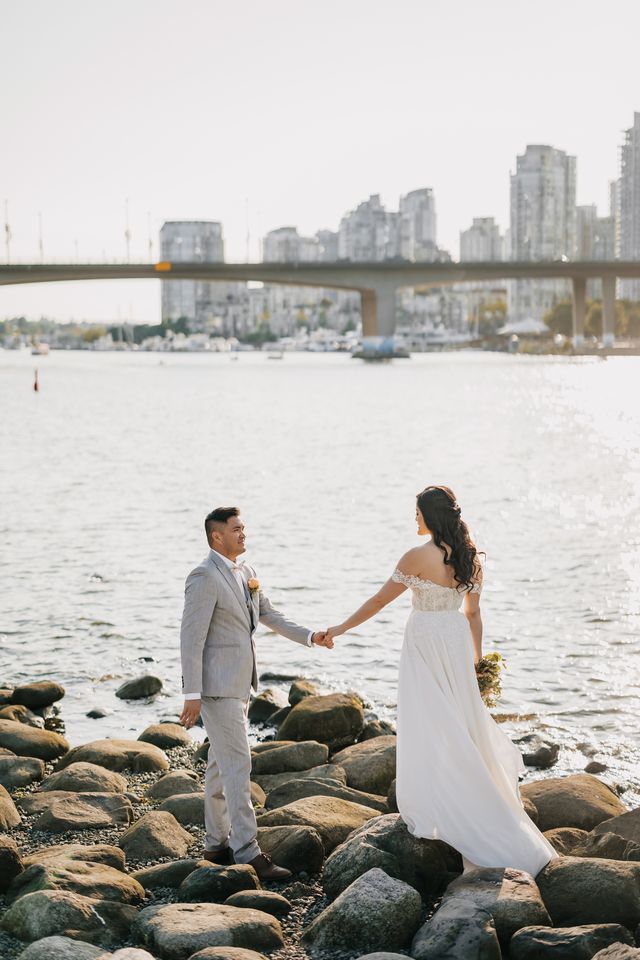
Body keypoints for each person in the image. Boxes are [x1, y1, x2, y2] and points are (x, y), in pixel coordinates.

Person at [324, 485, 558, 876]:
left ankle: (446, 810)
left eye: (417, 513)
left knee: (428, 723)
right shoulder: (470, 558)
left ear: (430, 517)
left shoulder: (416, 556)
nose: (414, 519)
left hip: (425, 644)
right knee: (461, 726)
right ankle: (472, 805)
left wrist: (340, 628)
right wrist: (477, 661)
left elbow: (380, 602)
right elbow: (473, 615)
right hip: (454, 643)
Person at [179, 506, 332, 879]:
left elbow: (268, 614)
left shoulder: (246, 571)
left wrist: (310, 636)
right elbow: (191, 637)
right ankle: (248, 851)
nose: (243, 533)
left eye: (243, 527)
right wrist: (192, 693)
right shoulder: (203, 576)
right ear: (217, 536)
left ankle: (216, 844)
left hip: (241, 683)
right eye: (236, 529)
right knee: (238, 765)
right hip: (217, 689)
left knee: (220, 765)